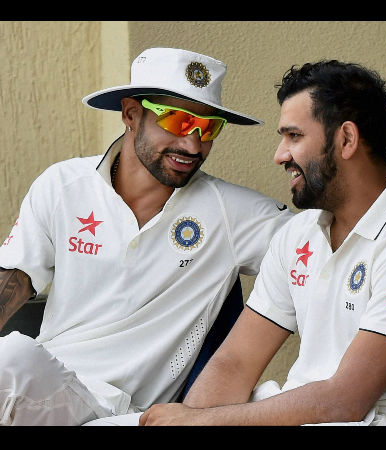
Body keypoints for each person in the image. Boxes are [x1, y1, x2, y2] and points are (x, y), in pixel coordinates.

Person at [137, 60, 386, 426]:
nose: (280, 155)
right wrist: (189, 420)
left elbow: (345, 402)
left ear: (346, 139)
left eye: (294, 136)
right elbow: (235, 363)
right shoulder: (298, 234)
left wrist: (198, 422)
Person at [0, 47, 293, 426]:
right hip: (45, 385)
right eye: (177, 121)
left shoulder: (232, 212)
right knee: (13, 359)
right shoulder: (63, 185)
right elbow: (14, 279)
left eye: (208, 128)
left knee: (12, 360)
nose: (192, 145)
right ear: (131, 114)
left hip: (128, 414)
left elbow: (327, 253)